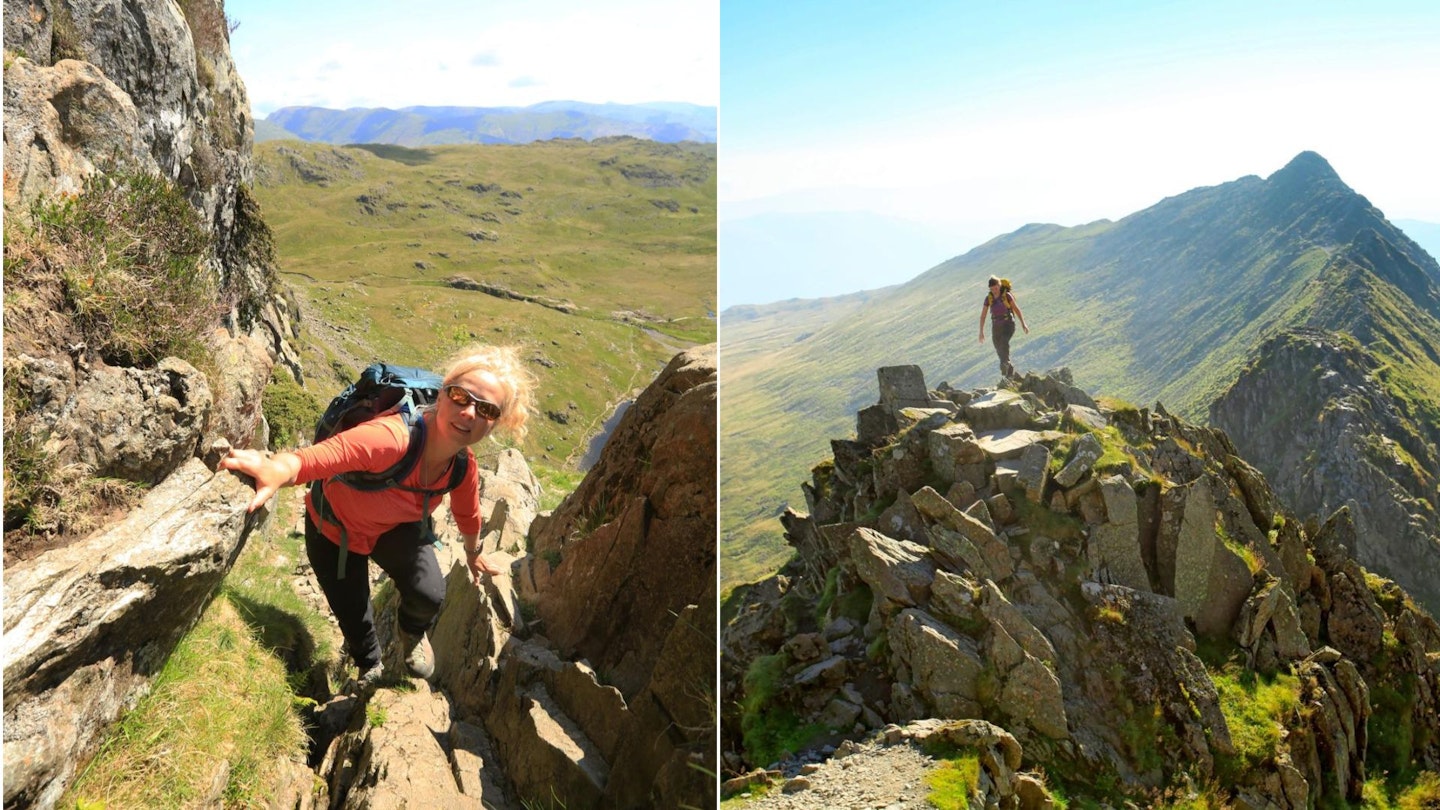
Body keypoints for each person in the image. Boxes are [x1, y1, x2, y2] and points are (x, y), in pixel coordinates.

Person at [220, 344, 534, 692]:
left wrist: (474, 553)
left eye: (487, 409)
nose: (470, 413)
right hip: (333, 530)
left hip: (392, 529)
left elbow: (467, 513)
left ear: (496, 423)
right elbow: (316, 458)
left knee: (429, 592)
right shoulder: (391, 439)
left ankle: (412, 634)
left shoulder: (461, 466)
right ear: (443, 394)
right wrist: (275, 468)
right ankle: (370, 667)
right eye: (460, 396)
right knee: (355, 615)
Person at [978, 276, 1029, 378]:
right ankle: (1009, 372)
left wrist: (1023, 324)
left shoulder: (1007, 296)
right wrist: (981, 331)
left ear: (999, 286)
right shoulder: (989, 299)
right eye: (992, 289)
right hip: (996, 326)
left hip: (1008, 324)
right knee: (998, 349)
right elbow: (983, 315)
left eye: (996, 288)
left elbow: (1016, 309)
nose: (994, 291)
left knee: (1003, 343)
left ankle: (1004, 365)